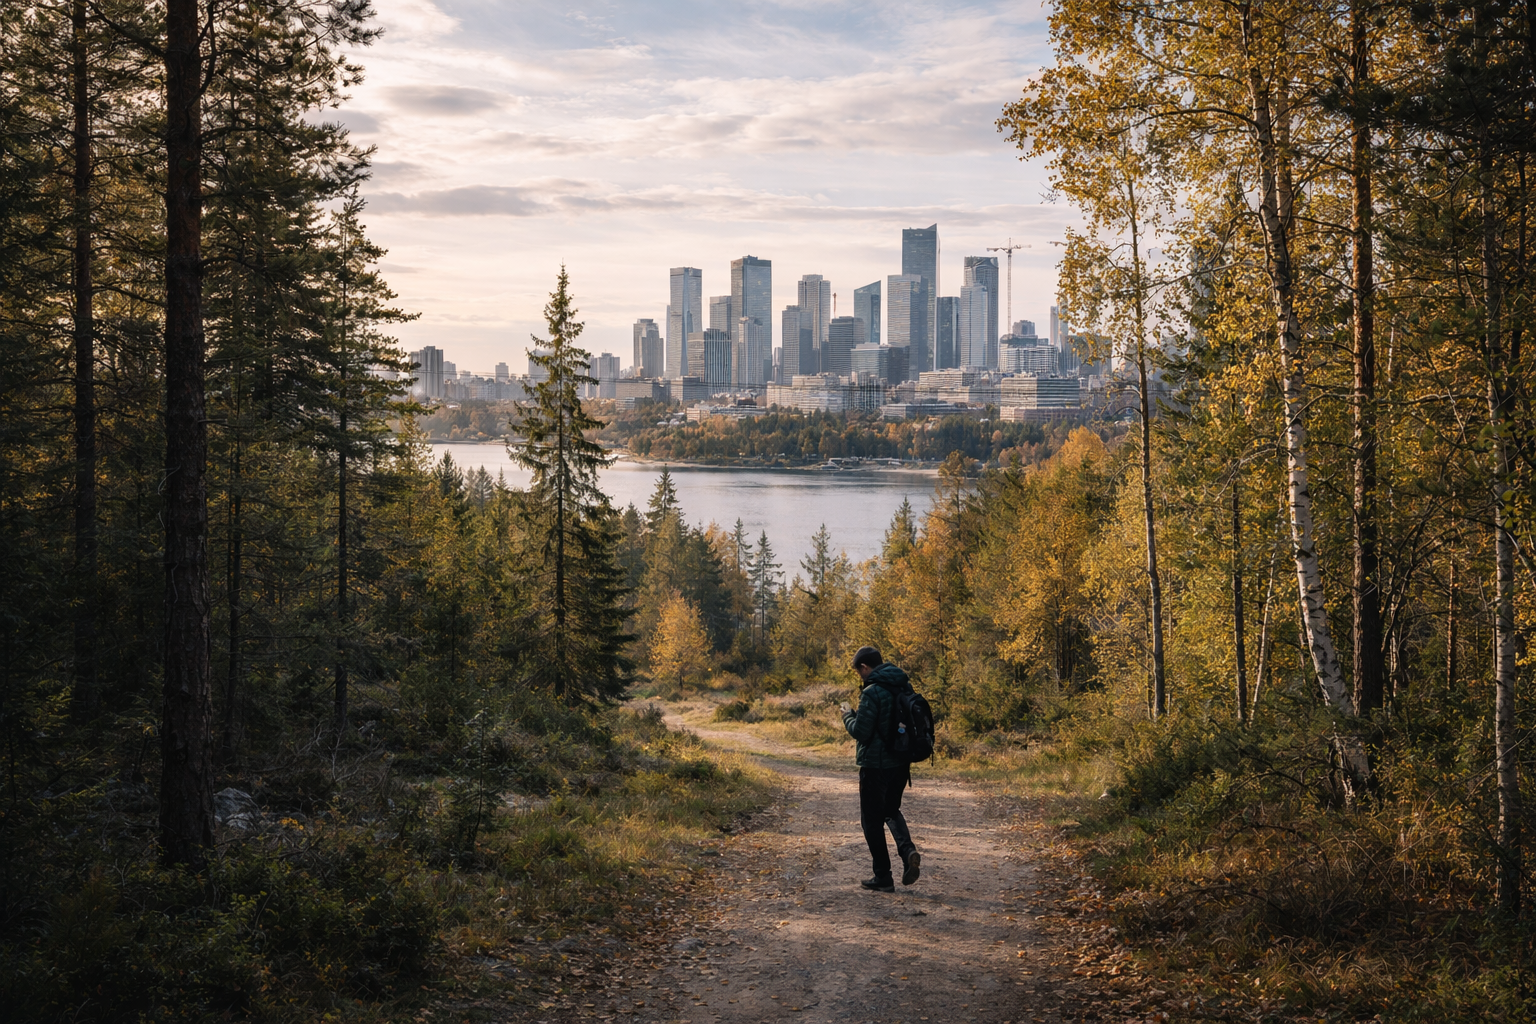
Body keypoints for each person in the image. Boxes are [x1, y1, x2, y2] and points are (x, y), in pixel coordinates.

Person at [840, 645, 921, 893]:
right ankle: (907, 851)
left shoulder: (872, 692)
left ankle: (883, 876)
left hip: (875, 766)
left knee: (871, 821)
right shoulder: (903, 685)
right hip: (900, 763)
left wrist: (847, 715)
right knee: (891, 810)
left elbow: (861, 732)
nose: (860, 676)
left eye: (859, 671)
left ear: (864, 667)